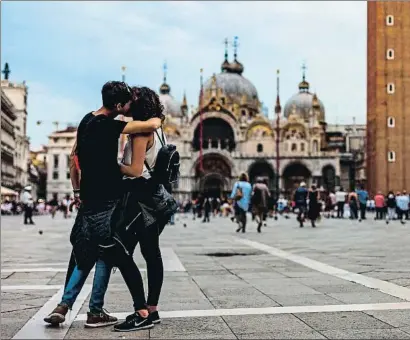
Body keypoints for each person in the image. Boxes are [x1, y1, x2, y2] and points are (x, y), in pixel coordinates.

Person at [44, 81, 161, 328]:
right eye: (127, 101)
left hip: (87, 198)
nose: (130, 105)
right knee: (108, 254)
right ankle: (108, 309)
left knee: (84, 252)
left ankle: (64, 305)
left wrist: (77, 189)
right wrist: (158, 116)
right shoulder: (111, 125)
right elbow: (151, 125)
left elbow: (73, 158)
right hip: (108, 200)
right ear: (119, 105)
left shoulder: (86, 120)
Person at [115, 86, 176, 331]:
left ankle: (141, 311)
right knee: (152, 254)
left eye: (130, 100)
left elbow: (135, 170)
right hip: (157, 198)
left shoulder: (141, 133)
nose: (126, 104)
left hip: (141, 200)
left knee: (118, 249)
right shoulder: (157, 127)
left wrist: (113, 165)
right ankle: (151, 310)